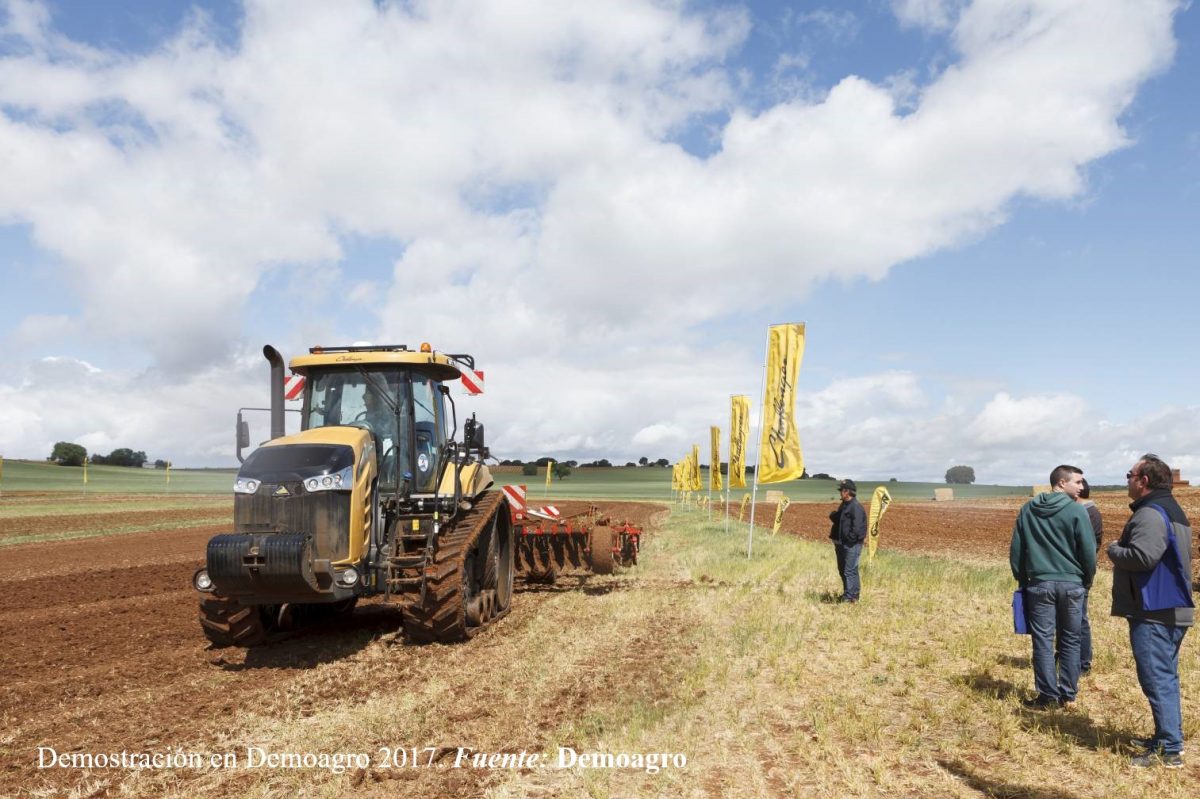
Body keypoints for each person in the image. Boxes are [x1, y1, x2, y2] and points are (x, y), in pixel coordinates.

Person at [1106, 453, 1193, 768]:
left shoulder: (1150, 514)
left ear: (1143, 481)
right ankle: (1164, 737)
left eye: (1130, 474)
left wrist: (1113, 549)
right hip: (1169, 607)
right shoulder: (1172, 510)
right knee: (1164, 677)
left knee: (1157, 679)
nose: (1127, 479)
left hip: (1155, 610)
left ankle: (1170, 750)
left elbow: (1142, 558)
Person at [1009, 465, 1097, 709]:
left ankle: (1047, 696)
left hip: (1039, 584)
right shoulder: (1077, 512)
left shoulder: (1028, 510)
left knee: (1043, 641)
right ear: (1060, 483)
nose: (1082, 487)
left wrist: (1023, 580)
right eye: (1077, 482)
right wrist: (1086, 579)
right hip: (1072, 584)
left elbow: (1017, 550)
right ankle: (1068, 694)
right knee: (1070, 639)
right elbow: (1088, 552)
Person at [1076, 478, 1104, 674]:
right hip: (1079, 571)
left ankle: (1083, 661)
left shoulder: (1089, 513)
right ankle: (1068, 655)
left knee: (1079, 618)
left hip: (1080, 572)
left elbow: (1089, 547)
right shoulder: (1086, 512)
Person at [828, 479, 867, 603]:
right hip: (841, 543)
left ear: (848, 492)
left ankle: (850, 597)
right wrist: (833, 515)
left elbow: (857, 528)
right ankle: (850, 594)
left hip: (852, 544)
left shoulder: (856, 507)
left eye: (842, 490)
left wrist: (849, 540)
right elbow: (840, 520)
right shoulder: (845, 505)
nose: (840, 492)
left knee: (849, 570)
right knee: (844, 569)